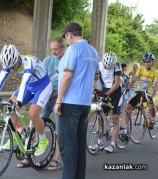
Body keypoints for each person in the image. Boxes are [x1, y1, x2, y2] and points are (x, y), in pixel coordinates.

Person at [0, 44, 52, 156]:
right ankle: (16, 135)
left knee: (33, 113)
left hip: (42, 86)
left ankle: (43, 140)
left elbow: (24, 82)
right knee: (9, 107)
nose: (10, 71)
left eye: (12, 67)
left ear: (17, 59)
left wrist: (19, 102)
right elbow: (0, 81)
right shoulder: (9, 63)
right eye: (8, 68)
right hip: (30, 86)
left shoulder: (28, 62)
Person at [54, 22, 99, 179]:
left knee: (67, 146)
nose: (66, 41)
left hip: (69, 102)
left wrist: (58, 100)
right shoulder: (93, 51)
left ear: (69, 35)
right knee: (80, 146)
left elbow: (67, 76)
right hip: (85, 103)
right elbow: (97, 76)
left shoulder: (73, 49)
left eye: (66, 38)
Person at [16, 37, 66, 170]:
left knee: (60, 129)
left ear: (63, 48)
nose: (53, 52)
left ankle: (56, 159)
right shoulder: (48, 60)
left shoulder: (68, 61)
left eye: (56, 49)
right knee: (35, 123)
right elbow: (40, 77)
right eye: (52, 49)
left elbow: (69, 82)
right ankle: (29, 154)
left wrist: (56, 95)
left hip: (58, 98)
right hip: (45, 95)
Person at [89, 52, 122, 153]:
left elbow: (116, 84)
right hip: (104, 91)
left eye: (109, 67)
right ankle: (99, 143)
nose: (107, 68)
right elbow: (96, 77)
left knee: (115, 118)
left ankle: (112, 144)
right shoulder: (98, 65)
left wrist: (106, 95)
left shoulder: (117, 66)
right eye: (106, 66)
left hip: (115, 93)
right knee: (100, 118)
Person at [125, 53, 158, 130]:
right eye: (145, 61)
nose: (147, 63)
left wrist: (152, 97)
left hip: (149, 92)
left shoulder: (155, 73)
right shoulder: (141, 69)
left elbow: (155, 88)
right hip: (139, 92)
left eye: (149, 61)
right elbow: (133, 79)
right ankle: (126, 129)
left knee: (151, 104)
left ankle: (153, 118)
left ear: (152, 62)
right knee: (126, 107)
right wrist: (128, 88)